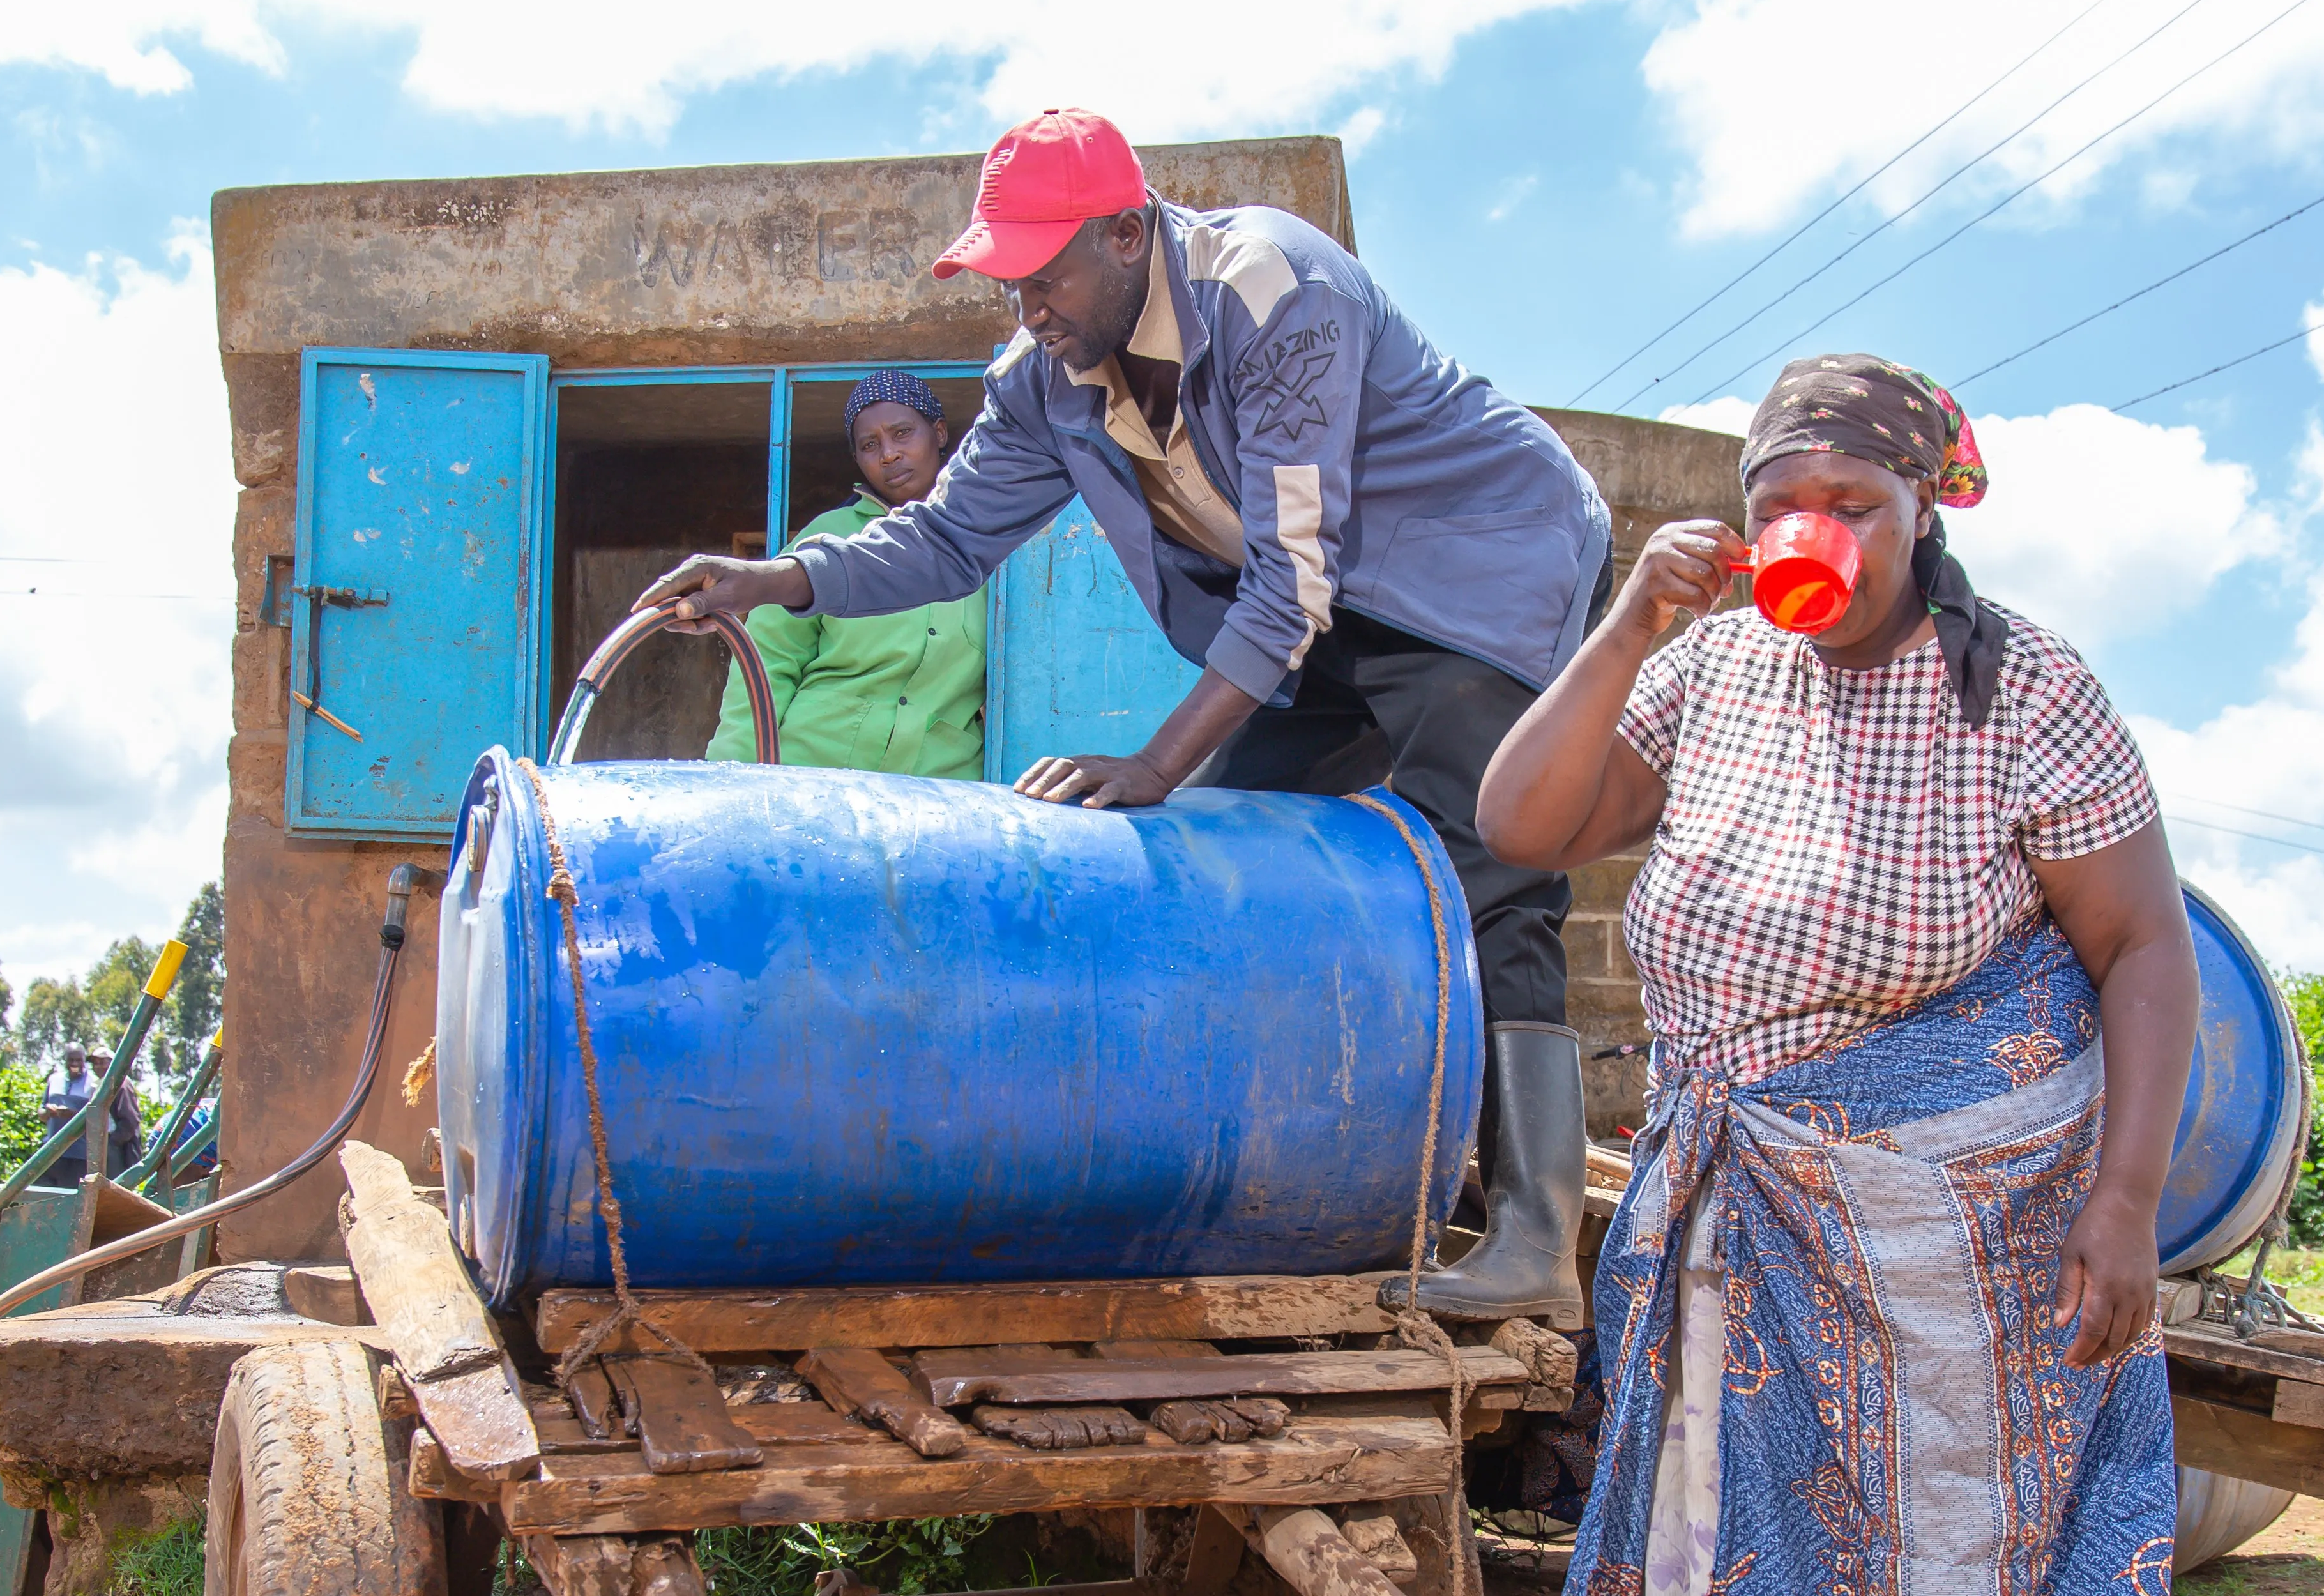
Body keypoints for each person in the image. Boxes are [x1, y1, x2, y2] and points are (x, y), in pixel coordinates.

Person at [1461, 354, 2201, 1596]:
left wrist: (2129, 1198)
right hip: (1753, 1180)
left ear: (1923, 510)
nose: (1821, 541)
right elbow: (1524, 820)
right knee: (1770, 1543)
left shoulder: (2026, 692)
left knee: (1959, 1544)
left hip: (1974, 1204)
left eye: (1856, 508)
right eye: (1784, 507)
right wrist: (1628, 628)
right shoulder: (1713, 667)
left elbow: (2144, 950)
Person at [635, 108, 1613, 1320]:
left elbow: (1290, 574)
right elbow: (948, 538)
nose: (1026, 305)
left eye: (1043, 272)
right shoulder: (1043, 381)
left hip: (1480, 572)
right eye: (1006, 281)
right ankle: (1297, 1183)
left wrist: (1155, 757)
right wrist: (777, 580)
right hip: (1330, 618)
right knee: (1236, 855)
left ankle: (1529, 1241)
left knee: (1490, 860)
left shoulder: (1269, 284)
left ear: (1127, 231)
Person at [712, 371, 989, 777]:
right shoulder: (829, 538)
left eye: (902, 433)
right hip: (812, 772)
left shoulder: (994, 543)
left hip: (939, 789)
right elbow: (767, 660)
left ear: (940, 433)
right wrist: (731, 773)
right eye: (870, 445)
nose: (889, 454)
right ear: (858, 459)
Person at [40, 1052, 96, 1188]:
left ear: (84, 1061)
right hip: (51, 1151)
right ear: (65, 1060)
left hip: (78, 1155)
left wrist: (73, 1115)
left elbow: (98, 1118)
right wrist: (48, 1111)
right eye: (71, 1060)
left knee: (71, 1197)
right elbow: (41, 1114)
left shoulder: (93, 1083)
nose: (75, 1064)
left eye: (79, 1060)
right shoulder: (54, 1080)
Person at [98, 1050, 145, 1178]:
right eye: (95, 1063)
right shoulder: (104, 1084)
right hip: (110, 1145)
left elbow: (130, 1120)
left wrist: (113, 1143)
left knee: (117, 1189)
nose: (98, 1066)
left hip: (120, 1149)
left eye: (102, 1062)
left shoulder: (122, 1083)